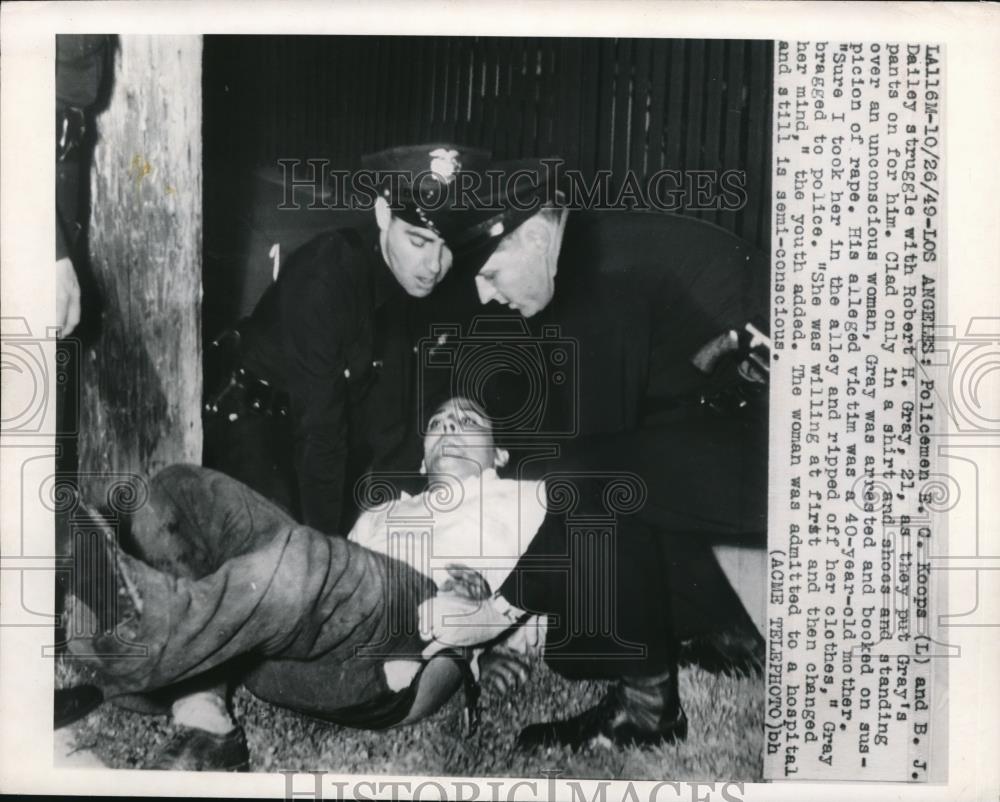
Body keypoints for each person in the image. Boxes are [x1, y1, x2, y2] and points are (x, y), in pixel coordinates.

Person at [420, 163, 770, 750]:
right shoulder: (596, 247)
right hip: (780, 426)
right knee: (608, 467)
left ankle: (647, 710)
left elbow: (588, 475)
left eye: (490, 271)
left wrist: (506, 614)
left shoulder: (605, 277)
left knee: (580, 481)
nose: (486, 292)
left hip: (820, 456)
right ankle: (723, 635)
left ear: (535, 235)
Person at [62, 397, 548, 771]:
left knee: (308, 559)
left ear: (500, 452)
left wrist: (506, 639)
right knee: (182, 487)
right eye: (438, 425)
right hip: (305, 652)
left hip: (402, 647)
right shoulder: (385, 511)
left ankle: (135, 637)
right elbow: (323, 588)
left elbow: (567, 571)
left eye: (466, 422)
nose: (449, 430)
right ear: (422, 460)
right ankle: (203, 713)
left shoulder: (525, 500)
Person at [203, 144, 502, 535]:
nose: (434, 266)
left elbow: (390, 421)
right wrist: (330, 550)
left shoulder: (407, 282)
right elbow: (320, 436)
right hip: (249, 421)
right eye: (419, 241)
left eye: (448, 248)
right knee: (287, 558)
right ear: (382, 214)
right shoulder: (326, 278)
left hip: (314, 430)